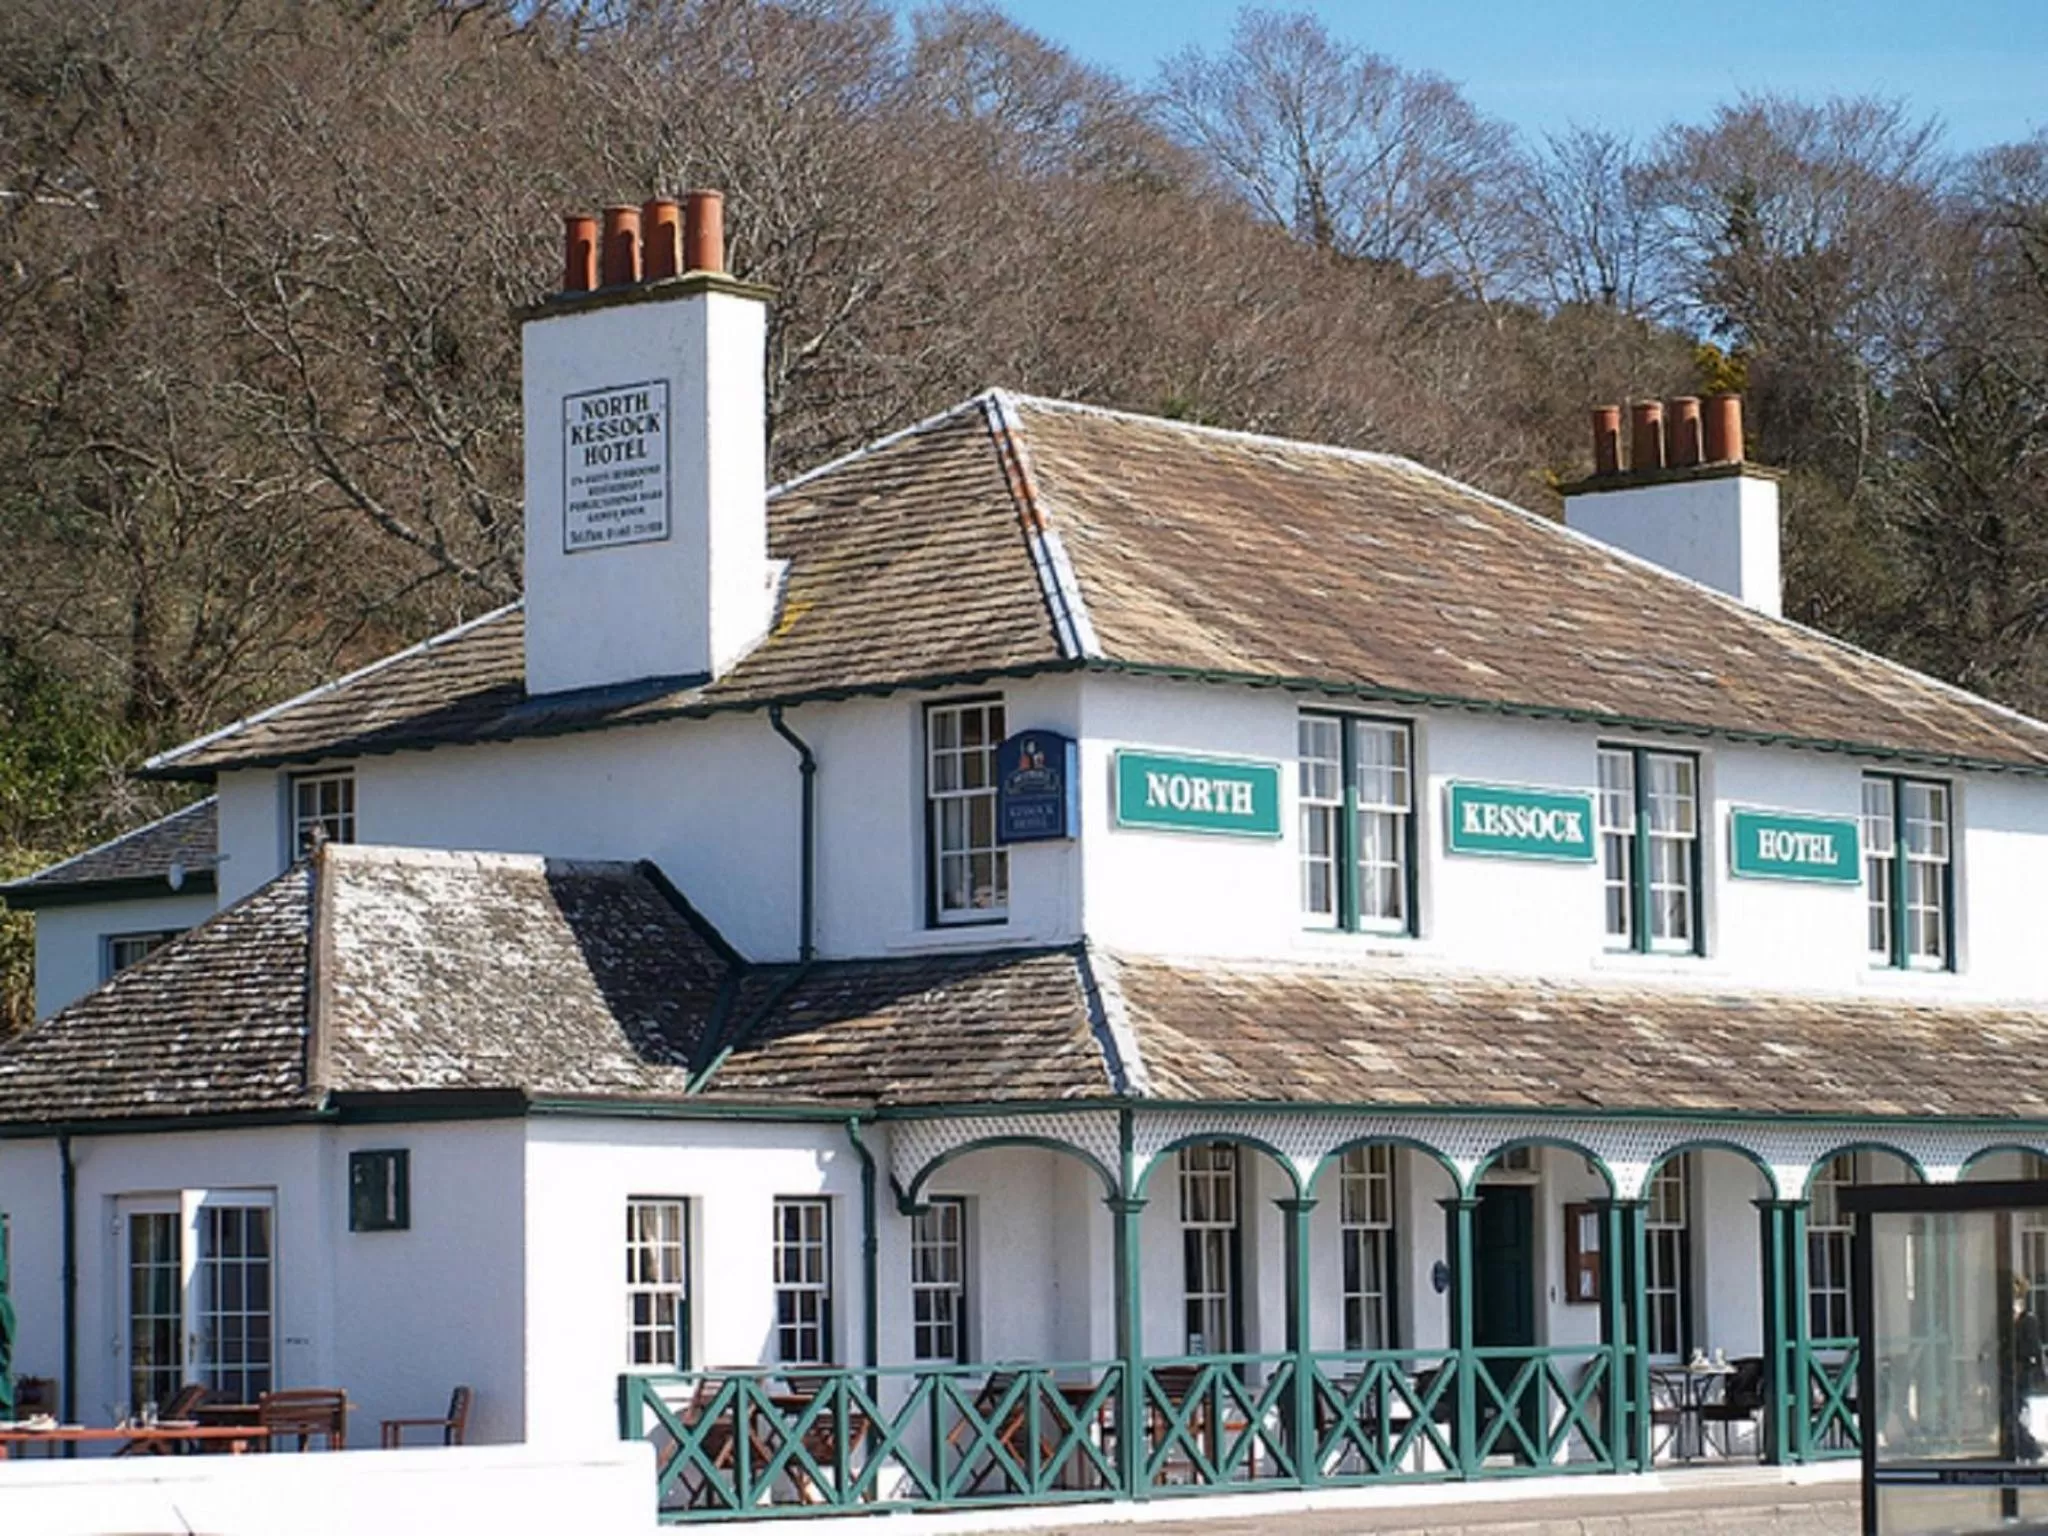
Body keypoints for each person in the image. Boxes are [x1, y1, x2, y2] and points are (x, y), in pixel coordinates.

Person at [2011, 1273, 2046, 1461]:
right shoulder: (2005, 1319)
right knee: (2013, 1410)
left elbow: (2032, 1348)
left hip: (2022, 1373)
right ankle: (2024, 1446)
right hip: (2010, 1373)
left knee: (2017, 1410)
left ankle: (2028, 1447)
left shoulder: (2027, 1320)